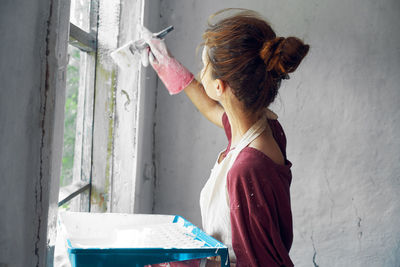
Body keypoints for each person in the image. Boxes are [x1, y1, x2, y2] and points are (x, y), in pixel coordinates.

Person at [141, 8, 310, 267]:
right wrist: (167, 64)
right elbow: (212, 108)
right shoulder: (262, 126)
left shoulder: (247, 169)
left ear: (219, 87)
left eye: (205, 66)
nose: (200, 72)